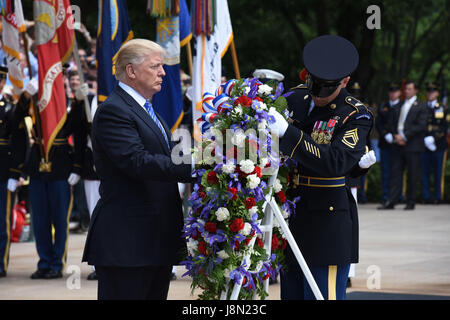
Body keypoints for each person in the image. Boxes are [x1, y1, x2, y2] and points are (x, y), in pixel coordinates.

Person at [82, 39, 193, 300]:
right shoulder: (114, 110)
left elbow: (168, 156)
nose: (163, 73)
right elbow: (137, 162)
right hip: (128, 244)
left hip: (153, 241)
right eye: (155, 66)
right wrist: (197, 166)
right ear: (131, 71)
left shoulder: (146, 109)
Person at [267, 35, 374, 300]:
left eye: (326, 88)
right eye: (313, 84)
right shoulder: (295, 98)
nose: (318, 94)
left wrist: (288, 133)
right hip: (291, 214)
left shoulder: (355, 114)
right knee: (290, 294)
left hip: (326, 223)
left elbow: (334, 162)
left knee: (320, 296)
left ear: (345, 81)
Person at [18, 73, 85, 279]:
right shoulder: (36, 105)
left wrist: (77, 167)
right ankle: (44, 262)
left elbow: (82, 132)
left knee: (59, 218)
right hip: (38, 168)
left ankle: (57, 263)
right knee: (40, 220)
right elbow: (15, 121)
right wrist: (25, 97)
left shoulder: (70, 107)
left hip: (60, 170)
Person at [378, 81, 427, 210]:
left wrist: (404, 136)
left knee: (412, 174)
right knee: (395, 173)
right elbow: (392, 122)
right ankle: (392, 200)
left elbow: (421, 125)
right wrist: (395, 136)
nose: (406, 91)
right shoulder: (400, 105)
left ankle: (410, 201)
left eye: (409, 89)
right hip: (398, 144)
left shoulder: (421, 106)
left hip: (412, 145)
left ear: (416, 90)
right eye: (405, 89)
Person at [0, 66, 28, 277]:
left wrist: (14, 172)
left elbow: (19, 141)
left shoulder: (8, 107)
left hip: (2, 172)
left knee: (2, 222)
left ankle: (0, 263)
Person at [420, 82, 448, 204]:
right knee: (424, 173)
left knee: (438, 173)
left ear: (436, 93)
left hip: (438, 145)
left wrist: (434, 138)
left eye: (433, 91)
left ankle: (437, 196)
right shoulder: (423, 107)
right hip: (424, 144)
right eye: (429, 91)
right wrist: (425, 139)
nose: (430, 93)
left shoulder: (442, 107)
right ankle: (425, 196)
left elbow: (444, 126)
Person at [376, 82, 402, 205]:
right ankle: (385, 196)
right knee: (385, 171)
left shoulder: (403, 106)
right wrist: (385, 134)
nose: (393, 94)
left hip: (398, 144)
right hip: (385, 143)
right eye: (391, 91)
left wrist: (396, 136)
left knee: (397, 171)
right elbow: (379, 123)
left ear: (399, 93)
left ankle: (397, 196)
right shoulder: (383, 106)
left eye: (395, 91)